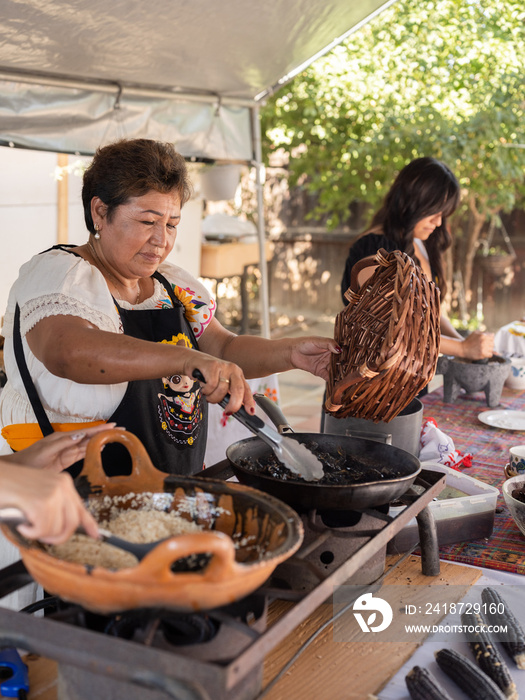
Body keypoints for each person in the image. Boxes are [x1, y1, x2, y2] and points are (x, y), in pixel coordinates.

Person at [0, 138, 340, 475]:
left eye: (172, 224)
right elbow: (68, 351)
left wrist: (291, 353)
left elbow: (223, 348)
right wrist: (188, 359)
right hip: (66, 488)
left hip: (169, 486)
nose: (162, 240)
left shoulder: (172, 285)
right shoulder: (58, 275)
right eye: (148, 222)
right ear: (100, 211)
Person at [340, 157, 494, 361]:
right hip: (367, 384)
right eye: (433, 211)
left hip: (409, 379)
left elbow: (430, 314)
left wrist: (468, 347)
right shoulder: (376, 250)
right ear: (410, 202)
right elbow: (389, 330)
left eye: (443, 213)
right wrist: (462, 349)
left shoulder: (420, 243)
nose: (438, 222)